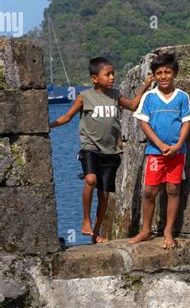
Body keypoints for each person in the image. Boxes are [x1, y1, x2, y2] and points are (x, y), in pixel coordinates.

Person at [49, 56, 153, 243]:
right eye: (108, 74)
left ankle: (96, 233)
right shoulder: (85, 97)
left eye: (113, 73)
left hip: (111, 152)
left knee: (104, 194)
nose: (112, 77)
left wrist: (144, 86)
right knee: (90, 180)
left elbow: (132, 105)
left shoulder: (115, 95)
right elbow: (66, 118)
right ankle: (86, 219)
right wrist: (46, 125)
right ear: (95, 78)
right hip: (90, 148)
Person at [129, 52, 190, 248]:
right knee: (150, 191)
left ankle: (168, 231)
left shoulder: (182, 97)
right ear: (154, 75)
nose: (163, 76)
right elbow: (144, 123)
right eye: (159, 73)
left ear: (174, 73)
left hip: (177, 153)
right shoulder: (149, 97)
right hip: (155, 152)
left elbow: (186, 124)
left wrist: (177, 146)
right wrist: (159, 144)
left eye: (167, 72)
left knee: (173, 189)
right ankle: (146, 229)